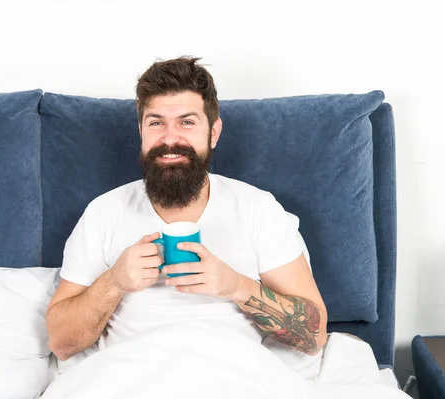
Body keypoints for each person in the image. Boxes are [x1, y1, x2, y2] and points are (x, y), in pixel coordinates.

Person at [46, 57, 328, 363]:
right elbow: (61, 343)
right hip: (130, 374)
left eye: (187, 122)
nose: (169, 138)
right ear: (141, 130)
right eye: (156, 122)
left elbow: (314, 336)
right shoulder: (103, 213)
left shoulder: (257, 209)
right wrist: (114, 282)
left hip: (232, 374)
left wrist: (238, 287)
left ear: (214, 132)